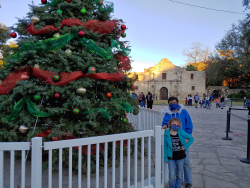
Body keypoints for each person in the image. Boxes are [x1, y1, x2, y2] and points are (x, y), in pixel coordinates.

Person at [162, 96, 193, 188]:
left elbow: (189, 124)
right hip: (173, 141)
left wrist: (188, 135)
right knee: (176, 163)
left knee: (186, 161)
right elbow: (165, 121)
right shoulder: (168, 113)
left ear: (178, 102)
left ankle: (188, 181)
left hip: (183, 141)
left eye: (174, 102)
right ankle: (176, 182)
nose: (172, 104)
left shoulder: (184, 112)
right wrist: (164, 125)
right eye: (170, 103)